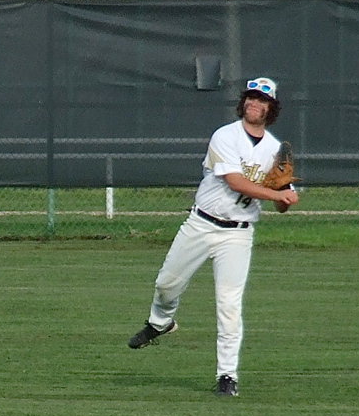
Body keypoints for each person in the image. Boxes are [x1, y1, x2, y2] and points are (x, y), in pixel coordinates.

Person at [127, 77, 300, 397]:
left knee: (229, 305)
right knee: (167, 283)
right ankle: (160, 322)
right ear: (243, 103)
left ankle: (227, 375)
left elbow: (281, 206)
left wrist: (286, 197)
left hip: (238, 235)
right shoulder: (225, 135)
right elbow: (235, 182)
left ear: (271, 109)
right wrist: (276, 194)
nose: (254, 104)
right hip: (201, 224)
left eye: (262, 101)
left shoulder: (276, 149)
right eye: (250, 98)